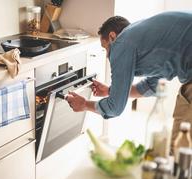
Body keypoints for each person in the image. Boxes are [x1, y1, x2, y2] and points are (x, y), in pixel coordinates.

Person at [65, 11, 192, 152]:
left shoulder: (122, 42)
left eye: (105, 48)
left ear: (112, 37)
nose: (108, 55)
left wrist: (84, 105)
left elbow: (115, 108)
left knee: (180, 149)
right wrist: (110, 91)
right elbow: (152, 86)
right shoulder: (147, 41)